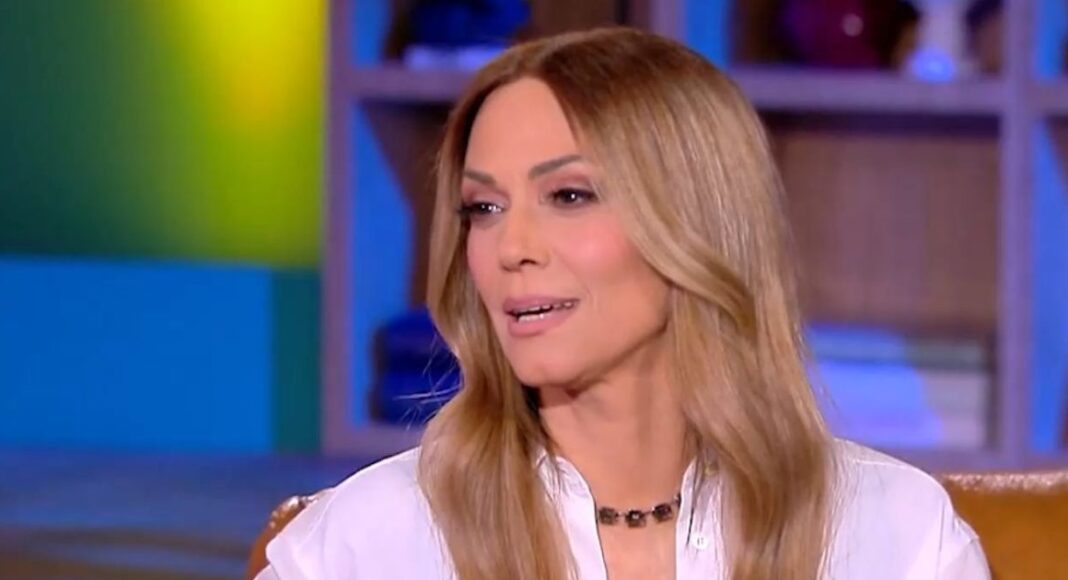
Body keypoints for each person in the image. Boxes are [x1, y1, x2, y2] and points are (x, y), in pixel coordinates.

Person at [256, 27, 990, 580]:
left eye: (569, 196)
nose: (511, 247)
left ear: (697, 223)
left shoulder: (896, 538)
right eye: (483, 208)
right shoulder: (367, 545)